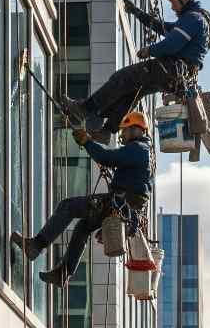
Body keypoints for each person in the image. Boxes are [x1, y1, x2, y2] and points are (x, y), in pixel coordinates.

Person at [10, 110, 154, 287]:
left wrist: (87, 142)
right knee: (83, 227)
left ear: (136, 130)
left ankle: (36, 246)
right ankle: (62, 273)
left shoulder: (138, 149)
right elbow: (126, 172)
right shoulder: (144, 152)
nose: (123, 134)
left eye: (125, 130)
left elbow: (107, 157)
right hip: (123, 207)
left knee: (68, 206)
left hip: (117, 204)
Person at [60, 0, 210, 136]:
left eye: (174, 2)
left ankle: (84, 109)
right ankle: (107, 131)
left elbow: (171, 45)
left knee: (122, 78)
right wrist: (137, 13)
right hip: (173, 76)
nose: (173, 7)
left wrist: (149, 50)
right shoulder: (194, 20)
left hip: (169, 69)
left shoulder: (193, 19)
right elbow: (163, 28)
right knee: (132, 93)